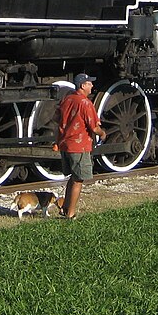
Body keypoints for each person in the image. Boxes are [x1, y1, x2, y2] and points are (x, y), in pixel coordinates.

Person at [54, 72, 106, 219]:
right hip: (79, 146)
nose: (92, 86)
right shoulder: (85, 103)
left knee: (73, 177)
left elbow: (56, 118)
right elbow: (94, 128)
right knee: (78, 180)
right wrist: (102, 134)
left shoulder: (67, 99)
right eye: (90, 83)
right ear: (83, 86)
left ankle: (65, 208)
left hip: (65, 144)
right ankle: (71, 214)